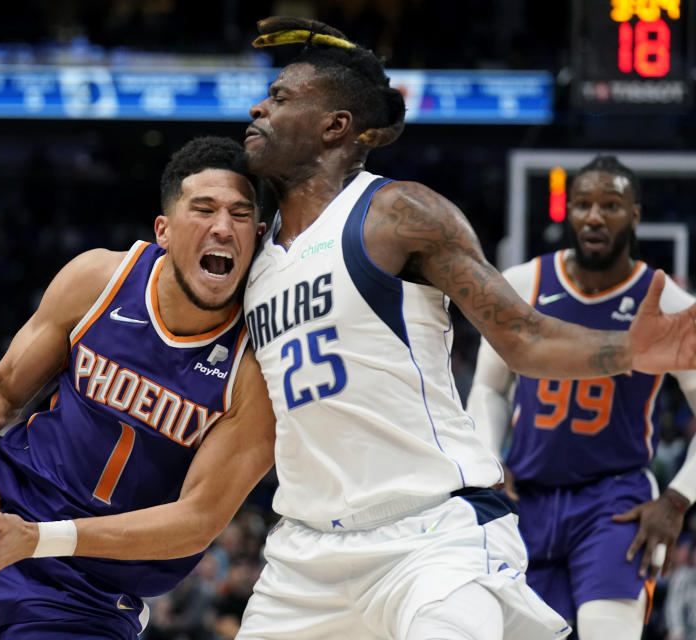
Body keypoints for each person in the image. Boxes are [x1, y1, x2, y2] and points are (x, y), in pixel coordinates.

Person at [234, 16, 696, 640]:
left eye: (282, 96)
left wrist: (636, 348)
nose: (259, 105)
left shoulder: (397, 213)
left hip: (431, 539)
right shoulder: (249, 254)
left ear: (334, 126)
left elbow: (524, 339)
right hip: (304, 559)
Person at [0, 136, 276, 639]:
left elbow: (197, 520)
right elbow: (0, 394)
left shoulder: (257, 364)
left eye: (240, 215)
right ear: (164, 231)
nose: (223, 226)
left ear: (258, 235)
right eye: (204, 210)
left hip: (94, 592)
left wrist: (40, 540)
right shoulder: (99, 280)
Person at [465, 155, 696, 640]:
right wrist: (489, 460)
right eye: (583, 204)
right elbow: (489, 386)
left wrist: (676, 500)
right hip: (526, 493)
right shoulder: (525, 282)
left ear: (635, 214)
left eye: (611, 205)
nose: (595, 216)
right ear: (567, 212)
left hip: (614, 500)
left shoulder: (667, 301)